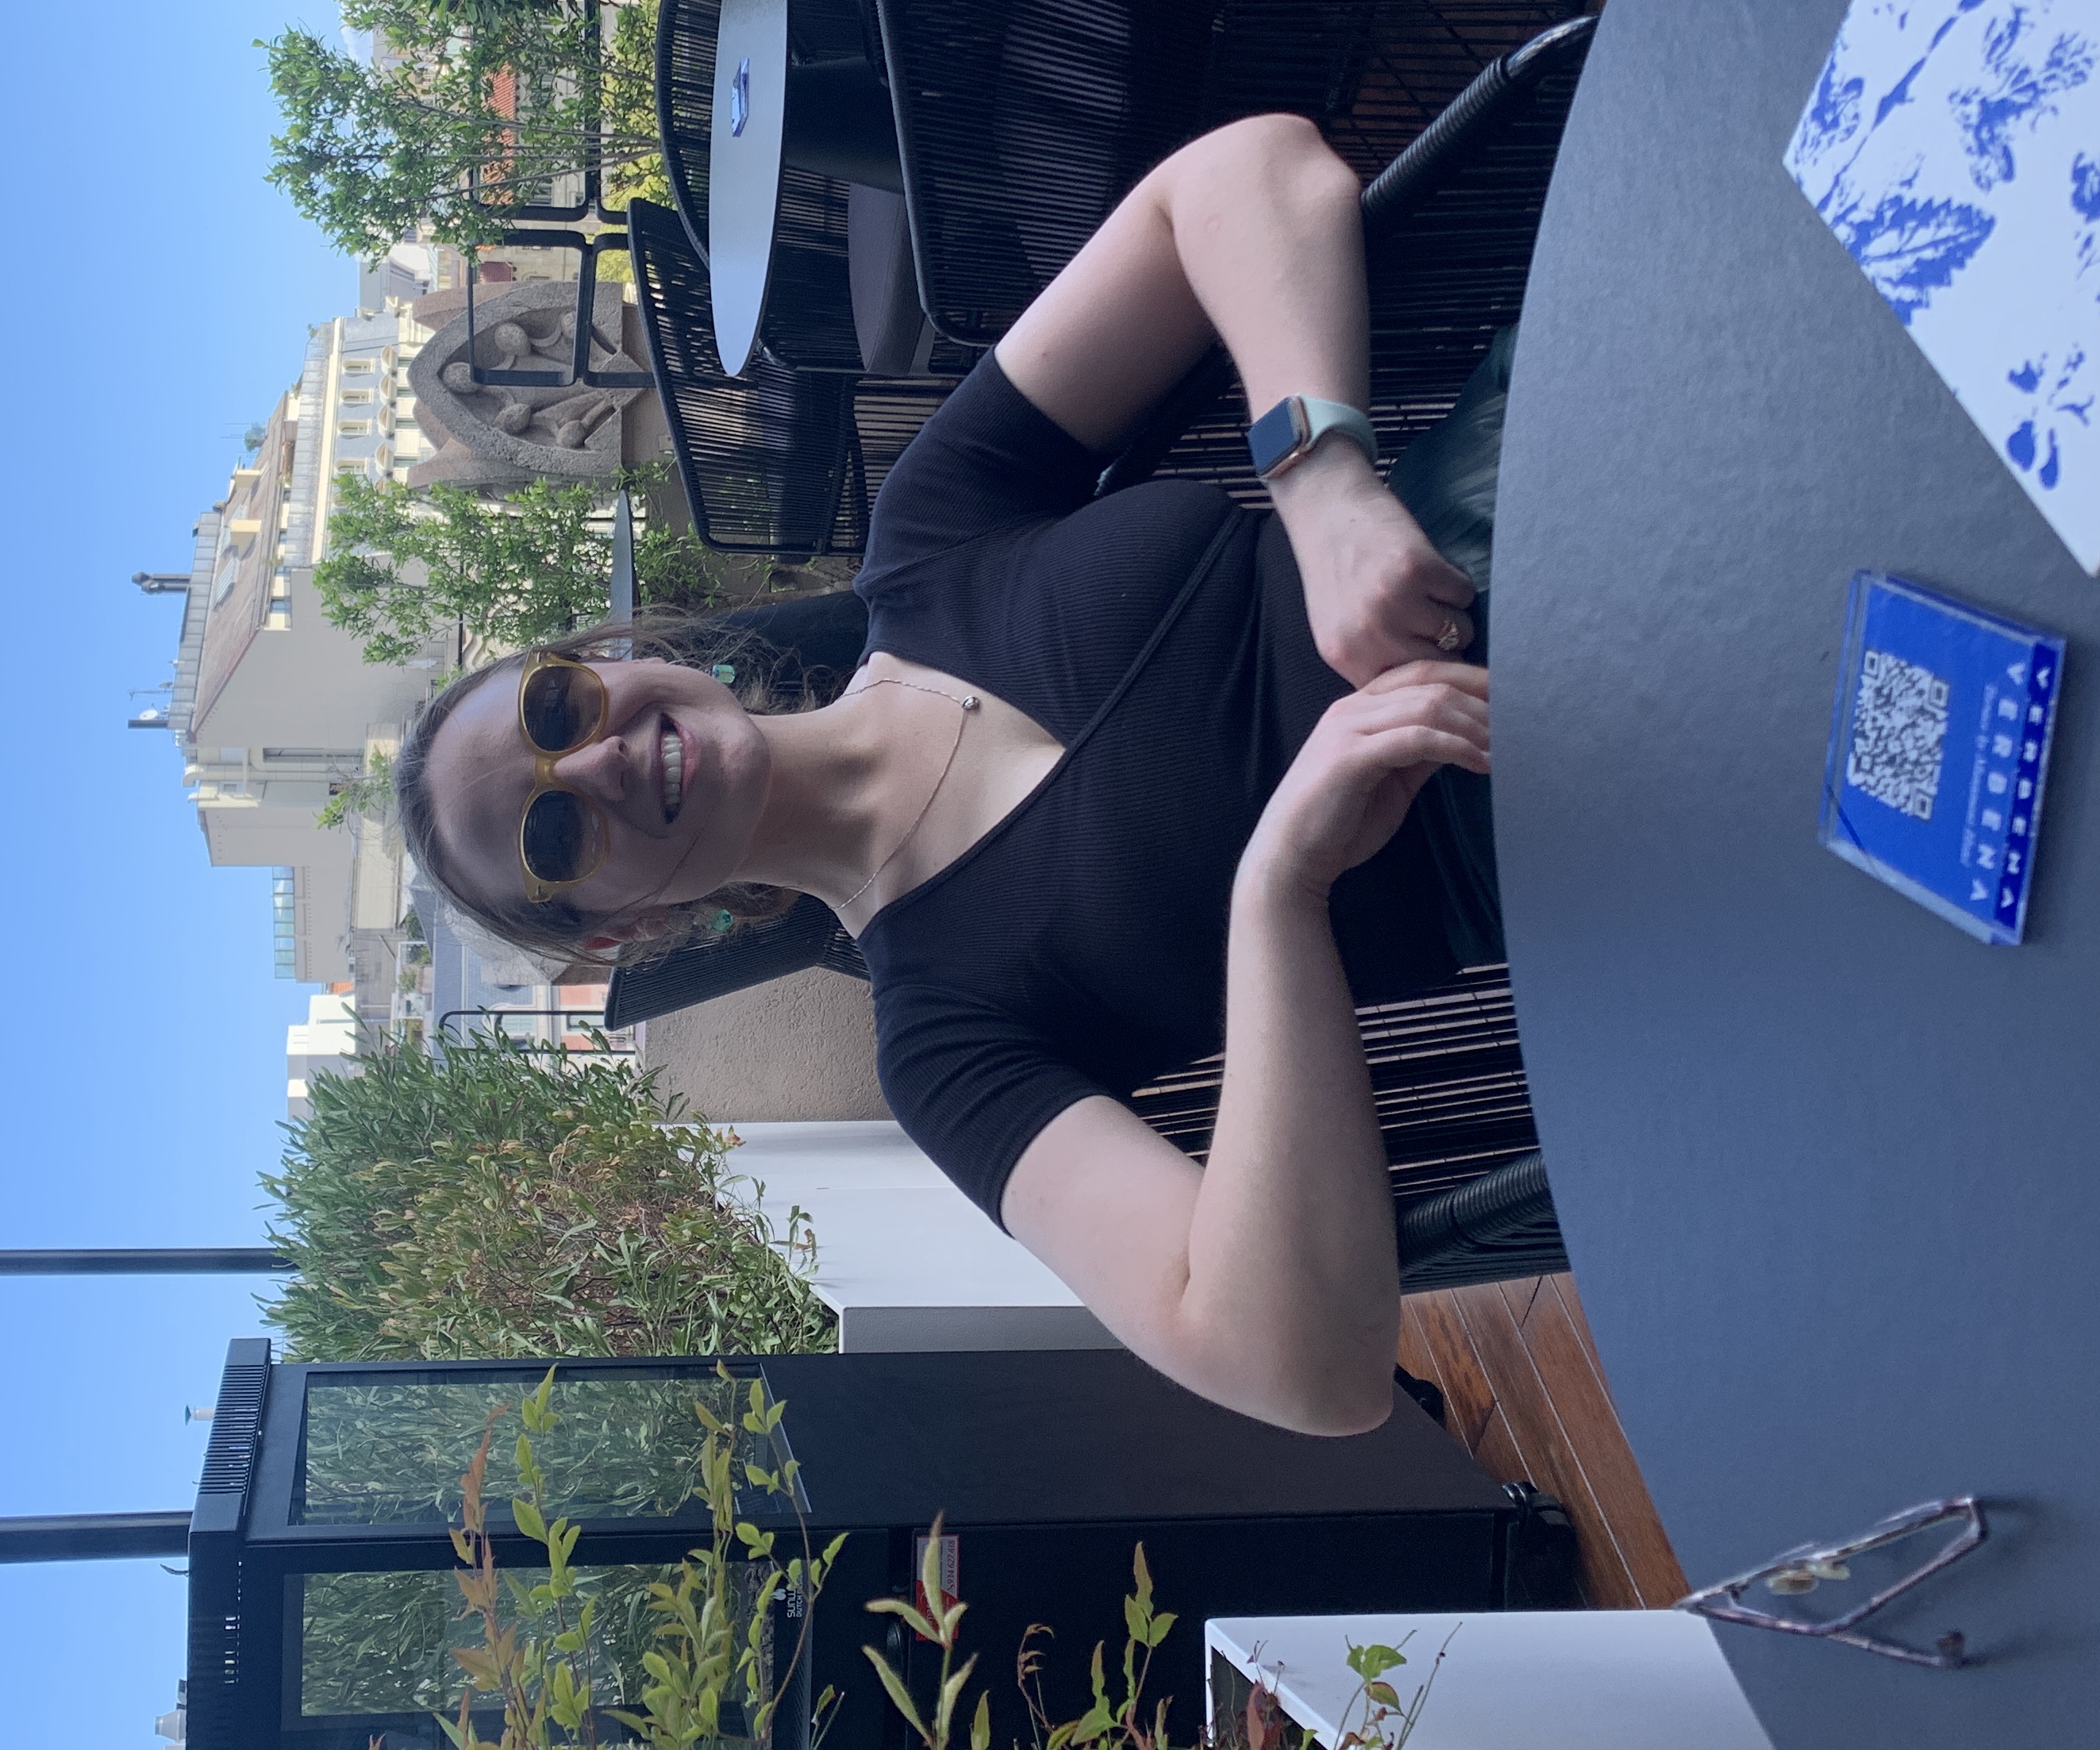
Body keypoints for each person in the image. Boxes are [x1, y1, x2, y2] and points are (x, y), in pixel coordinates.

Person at [395, 113, 1496, 1437]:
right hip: (1590, 836)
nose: (602, 759)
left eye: (555, 705)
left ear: (609, 656)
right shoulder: (948, 1045)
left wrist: (1323, 486)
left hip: (1527, 502)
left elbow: (1246, 172)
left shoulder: (931, 536)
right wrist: (1282, 891)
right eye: (554, 831)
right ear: (625, 927)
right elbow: (1294, 1368)